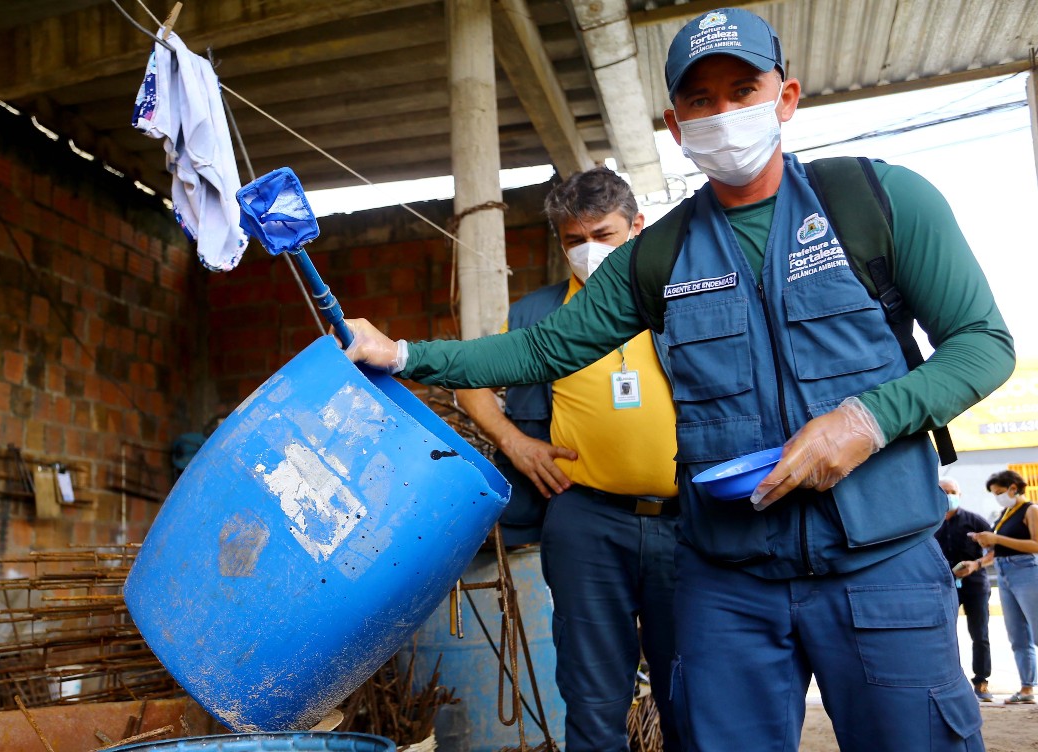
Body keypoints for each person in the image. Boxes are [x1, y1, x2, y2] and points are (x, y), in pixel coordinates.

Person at [340, 7, 1015, 750]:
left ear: (785, 98)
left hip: (880, 564)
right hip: (732, 581)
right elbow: (541, 352)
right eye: (701, 100)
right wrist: (403, 353)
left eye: (742, 89)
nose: (724, 113)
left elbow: (982, 345)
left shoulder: (878, 203)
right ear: (675, 124)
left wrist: (867, 420)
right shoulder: (657, 257)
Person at [455, 167, 680, 752]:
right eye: (574, 240)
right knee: (591, 692)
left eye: (603, 235)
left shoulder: (678, 300)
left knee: (695, 687)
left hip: (688, 520)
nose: (589, 251)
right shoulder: (539, 315)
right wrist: (516, 442)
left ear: (638, 227)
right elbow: (471, 385)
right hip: (585, 520)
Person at [962, 470, 1038, 705]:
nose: (998, 497)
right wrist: (978, 562)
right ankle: (1027, 688)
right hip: (1005, 572)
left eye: (1000, 492)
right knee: (1018, 636)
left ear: (1014, 487)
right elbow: (999, 550)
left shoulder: (1030, 510)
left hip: (1026, 570)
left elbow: (1035, 544)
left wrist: (997, 539)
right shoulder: (1006, 513)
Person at [934, 477, 993, 701]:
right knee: (944, 634)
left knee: (980, 634)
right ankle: (949, 682)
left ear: (960, 494)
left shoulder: (975, 521)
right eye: (944, 491)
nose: (949, 496)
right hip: (942, 585)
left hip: (975, 585)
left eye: (953, 492)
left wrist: (976, 564)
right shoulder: (929, 524)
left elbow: (996, 550)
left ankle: (981, 682)